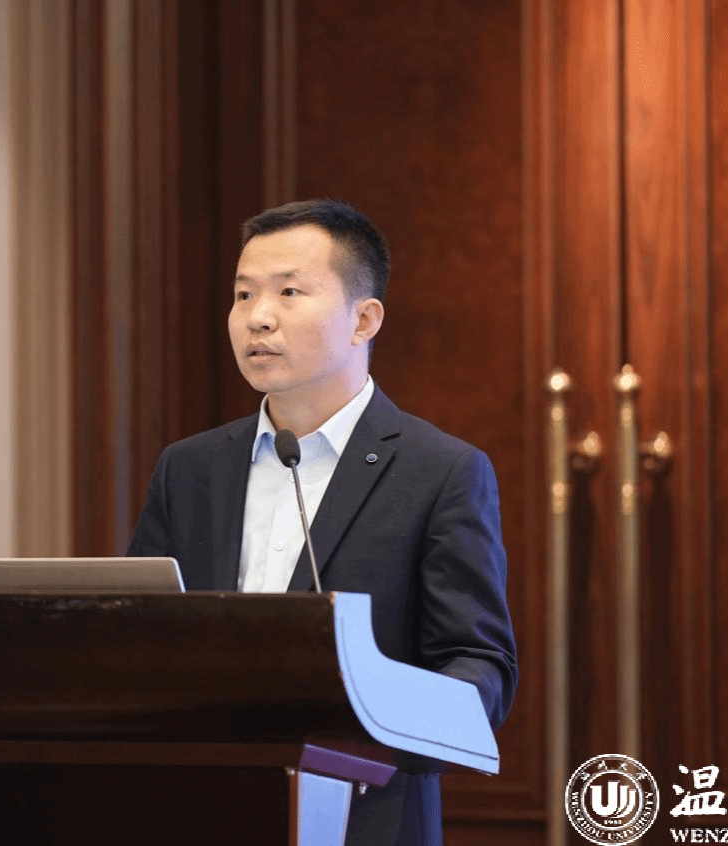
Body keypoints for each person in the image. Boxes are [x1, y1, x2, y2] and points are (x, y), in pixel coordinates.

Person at [127, 199, 517, 846]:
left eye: (289, 292)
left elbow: (477, 668)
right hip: (198, 810)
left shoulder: (441, 471)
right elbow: (135, 637)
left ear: (364, 319)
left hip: (363, 820)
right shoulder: (188, 468)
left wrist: (365, 724)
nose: (258, 317)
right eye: (243, 294)